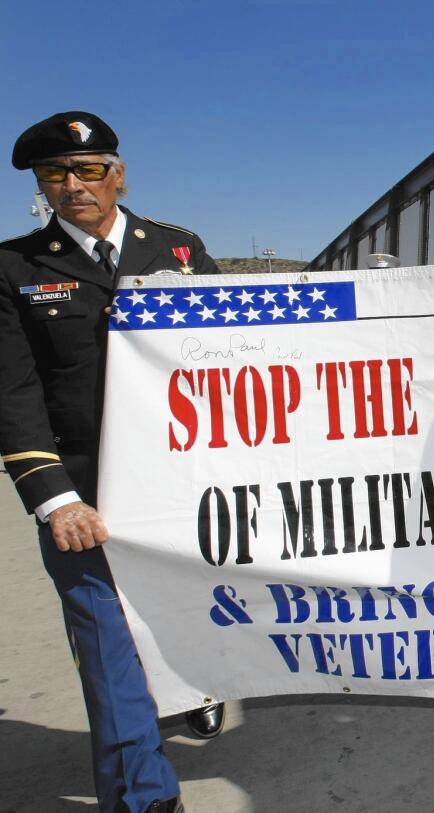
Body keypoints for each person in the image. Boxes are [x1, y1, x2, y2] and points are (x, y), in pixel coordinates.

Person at [0, 111, 226, 813]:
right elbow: (14, 391)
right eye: (56, 175)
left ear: (117, 174)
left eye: (89, 169)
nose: (74, 185)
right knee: (105, 643)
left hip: (188, 489)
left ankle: (194, 686)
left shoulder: (180, 251)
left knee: (195, 616)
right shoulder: (14, 268)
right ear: (43, 187)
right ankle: (145, 798)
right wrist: (53, 497)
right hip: (87, 495)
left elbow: (242, 358)